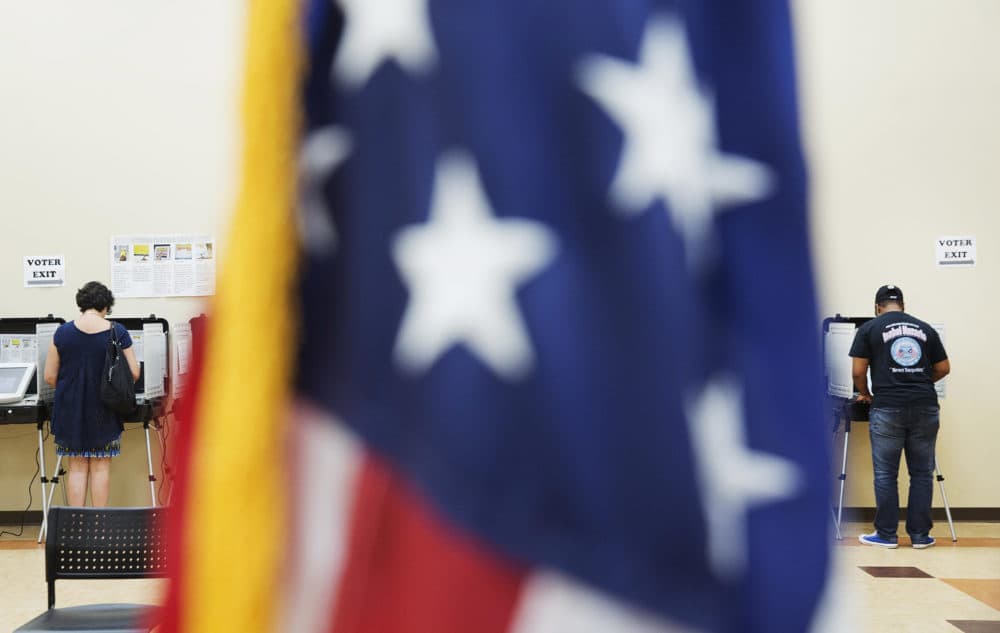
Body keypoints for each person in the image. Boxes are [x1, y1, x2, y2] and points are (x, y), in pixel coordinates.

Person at [850, 284, 950, 549]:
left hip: (887, 408)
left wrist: (866, 394)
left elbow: (858, 372)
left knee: (885, 474)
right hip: (925, 406)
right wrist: (919, 381)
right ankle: (920, 536)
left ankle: (886, 535)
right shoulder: (925, 328)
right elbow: (944, 368)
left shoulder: (869, 329)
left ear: (877, 307)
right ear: (903, 306)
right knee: (921, 473)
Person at [44, 281, 140, 507]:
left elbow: (49, 376)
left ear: (81, 303)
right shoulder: (118, 331)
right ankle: (99, 527)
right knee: (100, 466)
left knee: (76, 466)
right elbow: (133, 372)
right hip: (105, 409)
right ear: (106, 305)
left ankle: (78, 527)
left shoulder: (62, 333)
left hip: (70, 409)